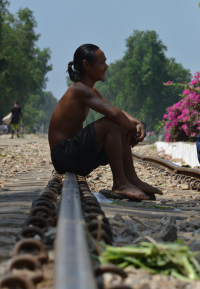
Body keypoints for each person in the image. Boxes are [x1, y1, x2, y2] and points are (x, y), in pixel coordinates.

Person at [48, 44, 163, 200]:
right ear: (86, 65)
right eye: (102, 62)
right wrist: (132, 129)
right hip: (63, 155)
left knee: (119, 124)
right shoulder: (78, 90)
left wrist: (138, 124)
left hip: (73, 155)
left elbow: (116, 110)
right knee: (113, 123)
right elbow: (113, 114)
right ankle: (120, 184)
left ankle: (132, 180)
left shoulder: (90, 90)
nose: (106, 66)